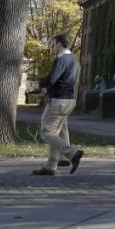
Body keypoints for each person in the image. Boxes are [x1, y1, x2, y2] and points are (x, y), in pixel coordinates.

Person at [32, 33, 84, 176]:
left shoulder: (62, 59)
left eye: (53, 44)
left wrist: (41, 83)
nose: (52, 47)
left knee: (46, 132)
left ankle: (72, 154)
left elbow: (53, 79)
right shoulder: (74, 60)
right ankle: (52, 165)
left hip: (59, 100)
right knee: (58, 131)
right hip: (69, 100)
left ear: (60, 44)